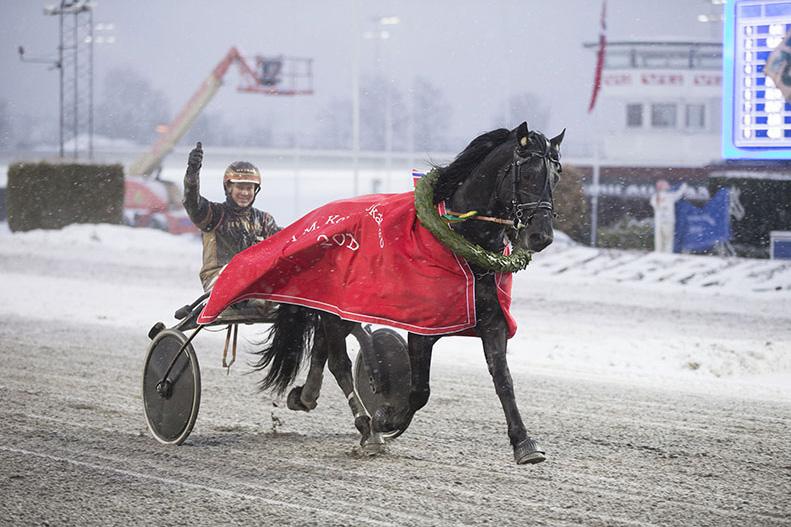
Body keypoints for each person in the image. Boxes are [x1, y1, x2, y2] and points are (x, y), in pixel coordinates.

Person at [183, 142, 281, 293]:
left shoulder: (264, 221)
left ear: (256, 190)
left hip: (255, 283)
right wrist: (192, 172)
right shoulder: (214, 214)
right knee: (241, 287)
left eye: (249, 188)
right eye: (240, 187)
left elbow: (286, 243)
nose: (245, 193)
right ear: (228, 188)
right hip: (219, 281)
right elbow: (191, 201)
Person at [649, 179, 687, 253]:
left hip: (660, 221)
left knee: (660, 240)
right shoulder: (669, 196)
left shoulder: (656, 196)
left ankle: (659, 253)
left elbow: (654, 204)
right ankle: (666, 253)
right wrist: (684, 187)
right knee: (668, 240)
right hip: (667, 221)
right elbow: (678, 194)